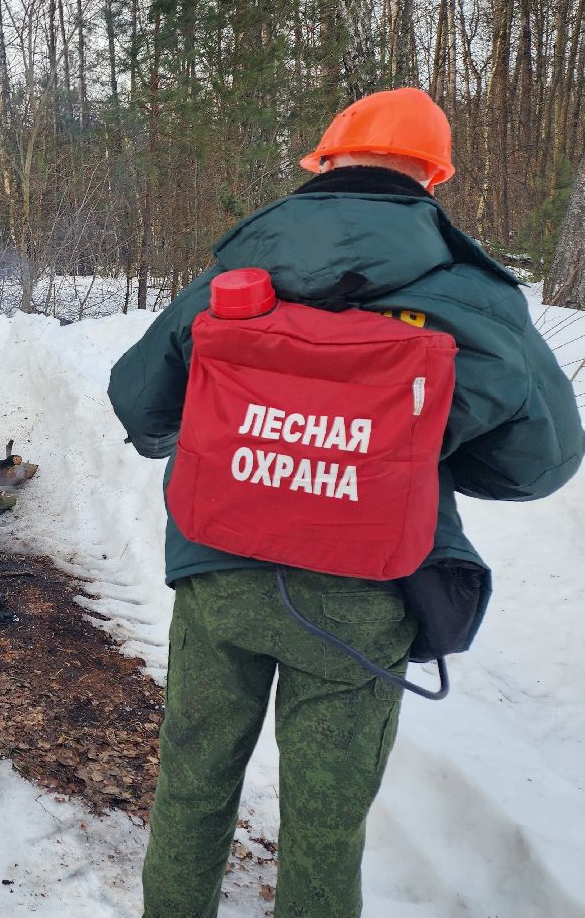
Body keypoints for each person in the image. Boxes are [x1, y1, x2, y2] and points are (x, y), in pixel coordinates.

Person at [108, 88, 583, 917]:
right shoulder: (473, 296)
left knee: (191, 788)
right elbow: (538, 463)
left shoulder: (237, 271)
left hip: (220, 565)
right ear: (433, 178)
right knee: (327, 830)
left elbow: (140, 401)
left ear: (324, 161)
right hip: (365, 589)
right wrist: (408, 452)